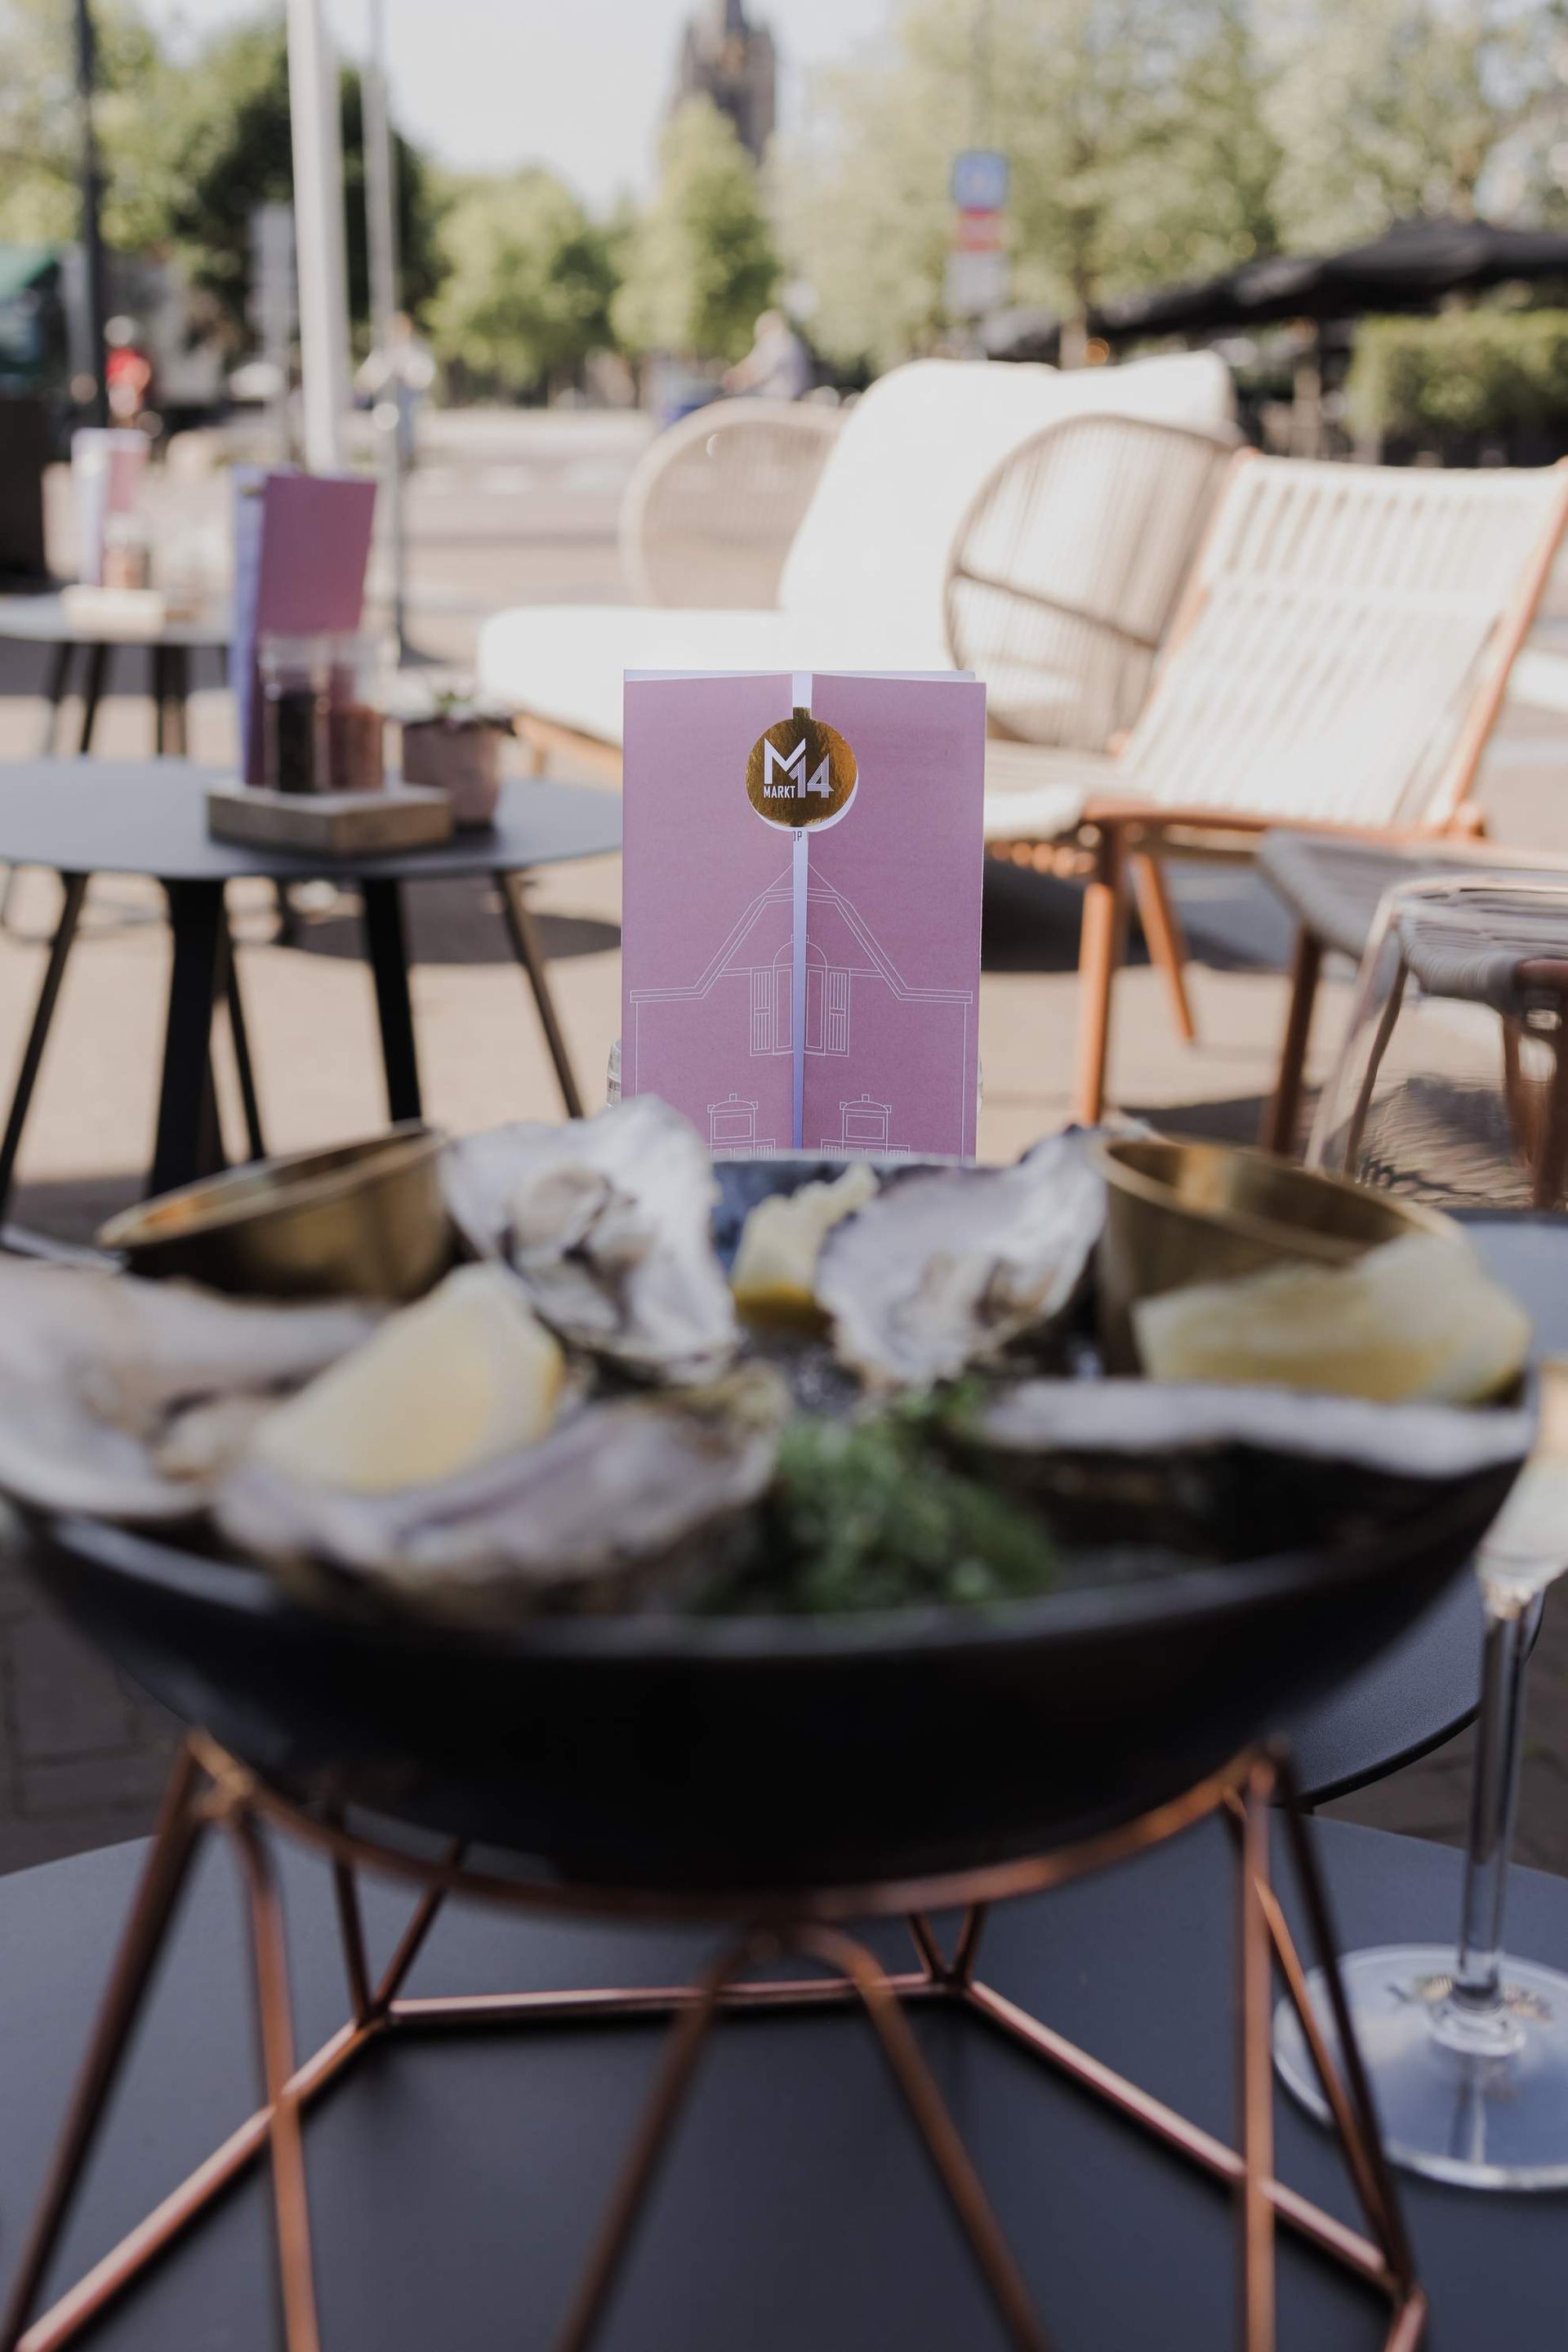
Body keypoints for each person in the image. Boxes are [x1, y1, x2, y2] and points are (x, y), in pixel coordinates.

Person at [355, 311, 436, 468]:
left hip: (409, 399)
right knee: (387, 431)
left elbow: (424, 374)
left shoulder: (416, 349)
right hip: (387, 401)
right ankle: (391, 459)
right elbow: (369, 375)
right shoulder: (384, 351)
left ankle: (408, 458)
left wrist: (406, 376)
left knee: (407, 431)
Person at [723, 309, 811, 401]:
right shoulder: (791, 340)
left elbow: (758, 370)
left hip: (778, 397)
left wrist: (736, 378)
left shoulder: (774, 340)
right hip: (794, 394)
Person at [104, 315, 153, 425]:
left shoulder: (137, 357)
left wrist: (136, 388)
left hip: (131, 395)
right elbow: (111, 378)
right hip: (119, 393)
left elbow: (143, 373)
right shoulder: (115, 357)